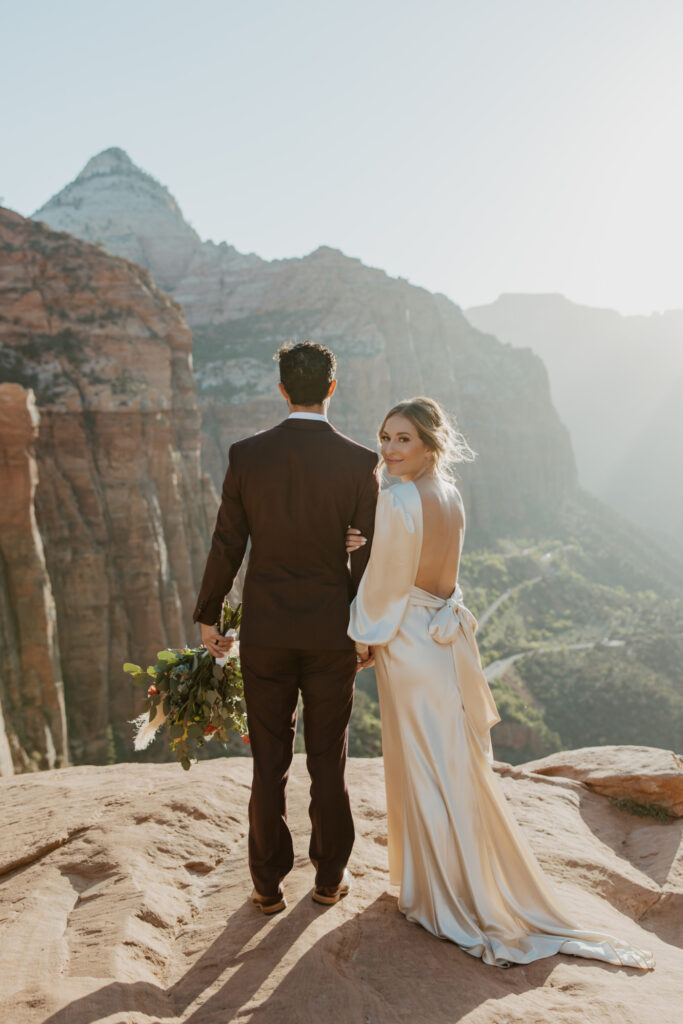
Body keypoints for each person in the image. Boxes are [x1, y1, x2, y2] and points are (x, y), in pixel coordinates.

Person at [346, 396, 655, 970]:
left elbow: (385, 586)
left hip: (409, 642)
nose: (388, 449)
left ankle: (444, 896)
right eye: (384, 437)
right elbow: (429, 564)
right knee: (451, 760)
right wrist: (378, 543)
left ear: (429, 444)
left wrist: (361, 637)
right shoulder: (449, 493)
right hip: (445, 638)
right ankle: (469, 880)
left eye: (402, 439)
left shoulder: (397, 498)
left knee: (424, 763)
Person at [193, 341, 379, 914]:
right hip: (332, 634)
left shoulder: (247, 455)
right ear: (332, 387)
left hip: (267, 633)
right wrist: (366, 628)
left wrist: (209, 614)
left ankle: (267, 885)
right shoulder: (358, 461)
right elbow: (367, 557)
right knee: (329, 759)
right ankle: (328, 878)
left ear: (281, 389)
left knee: (268, 761)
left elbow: (229, 541)